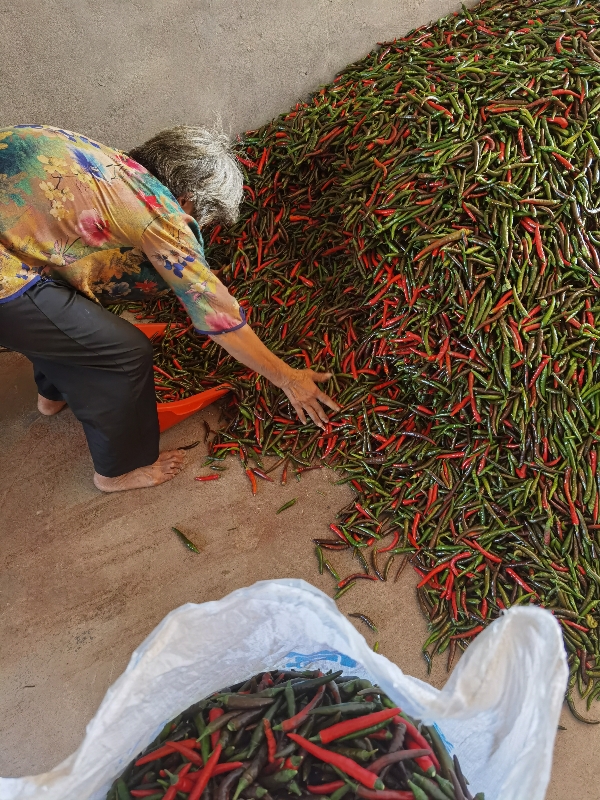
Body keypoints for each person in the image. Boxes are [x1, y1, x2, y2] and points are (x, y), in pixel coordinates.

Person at [0, 124, 339, 492]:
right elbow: (218, 315)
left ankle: (52, 396)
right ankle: (119, 471)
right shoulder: (160, 215)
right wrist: (288, 378)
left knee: (71, 320)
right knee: (122, 352)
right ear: (190, 197)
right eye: (204, 217)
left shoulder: (109, 163)